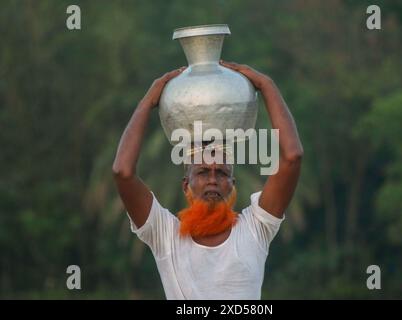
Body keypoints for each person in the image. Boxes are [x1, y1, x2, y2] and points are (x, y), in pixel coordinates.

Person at [112, 61, 304, 299]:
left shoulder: (255, 228)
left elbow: (292, 157)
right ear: (186, 185)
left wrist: (266, 85)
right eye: (202, 172)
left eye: (222, 173)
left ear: (232, 184)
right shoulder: (165, 236)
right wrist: (147, 102)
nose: (213, 179)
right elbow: (122, 172)